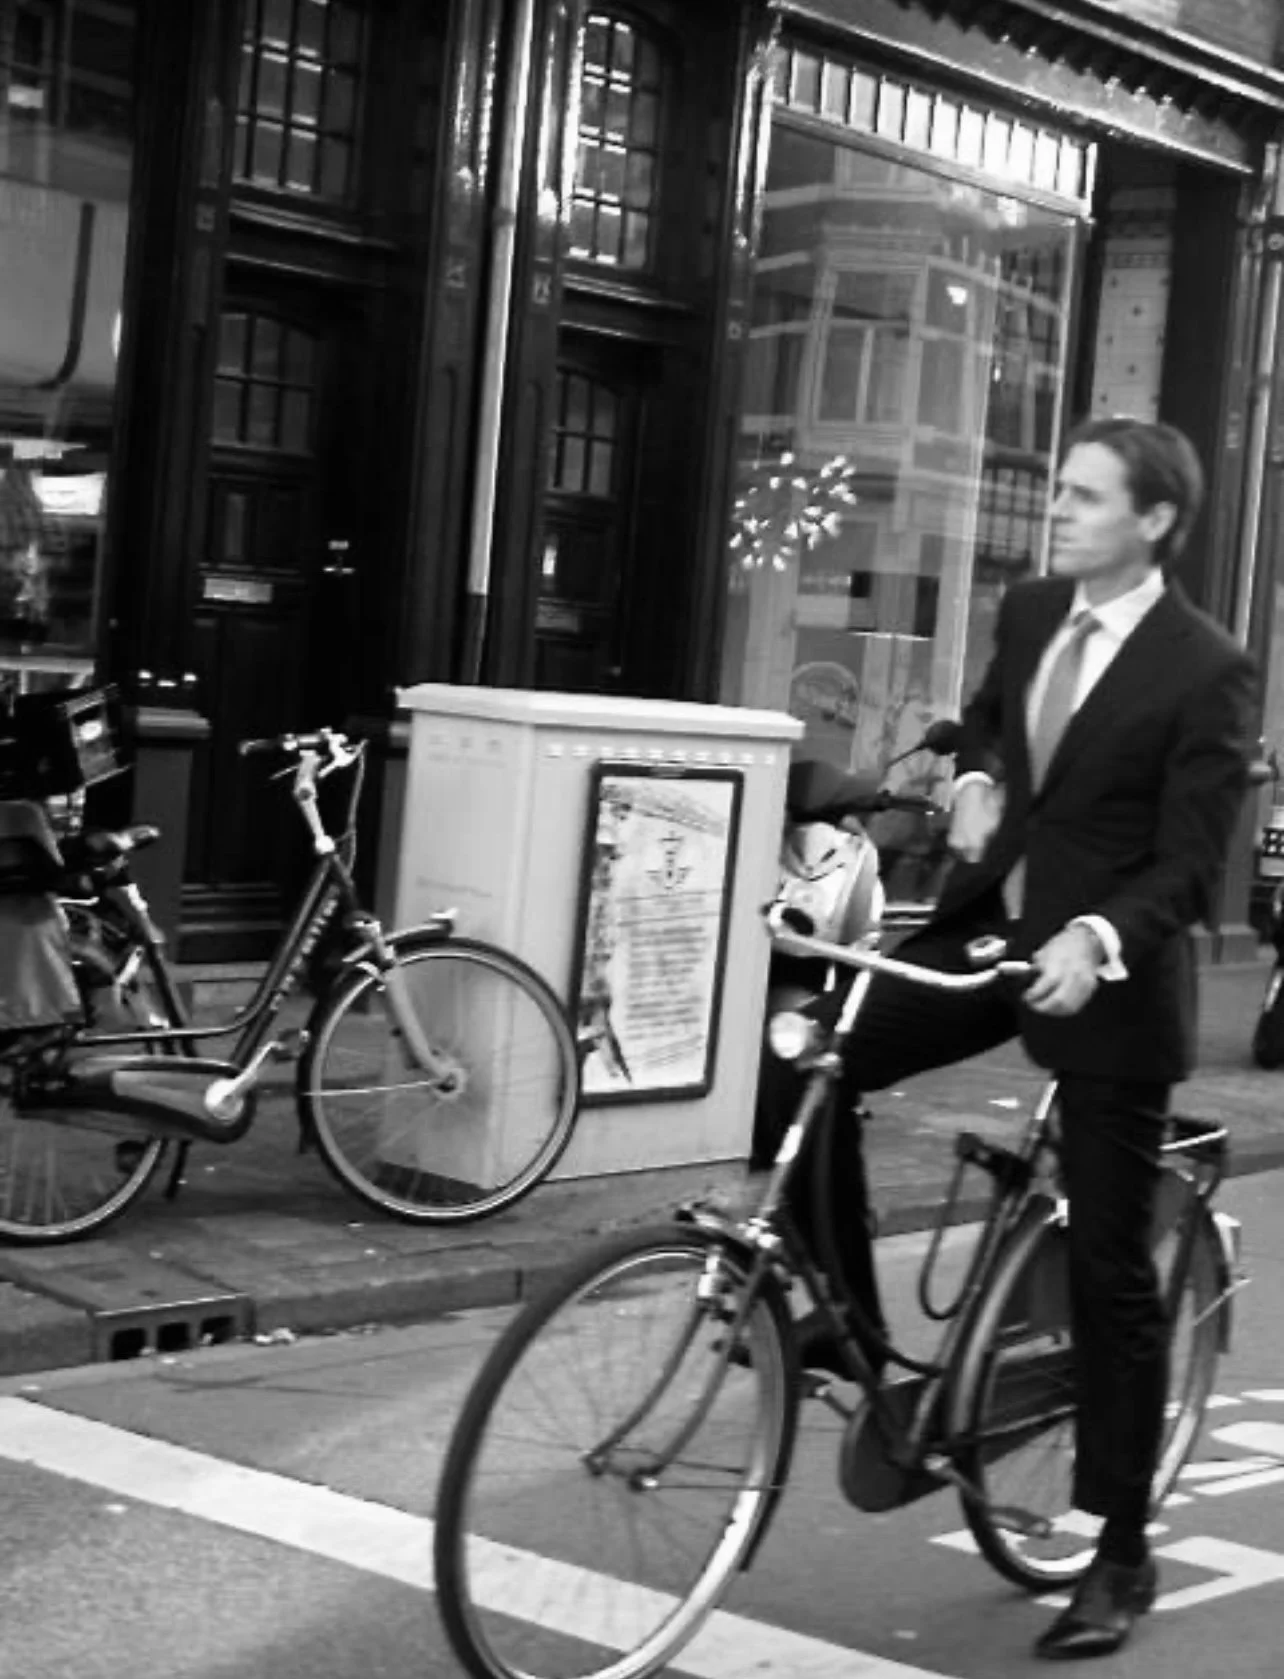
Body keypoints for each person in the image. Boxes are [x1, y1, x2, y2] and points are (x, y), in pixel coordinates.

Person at [784, 415, 1258, 1661]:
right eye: (1060, 488)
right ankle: (846, 1322)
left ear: (1154, 520)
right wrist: (980, 775)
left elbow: (1191, 859)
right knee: (814, 1057)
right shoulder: (1038, 608)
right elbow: (992, 720)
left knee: (1109, 1268)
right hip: (995, 931)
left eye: (1087, 495)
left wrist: (1097, 934)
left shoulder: (1208, 667)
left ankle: (1121, 1553)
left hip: (1108, 976)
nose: (1058, 509)